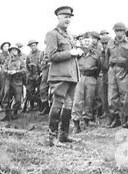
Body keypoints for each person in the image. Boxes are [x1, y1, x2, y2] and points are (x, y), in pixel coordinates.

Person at [45, 6, 83, 145]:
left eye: (69, 17)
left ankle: (63, 135)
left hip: (72, 75)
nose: (68, 19)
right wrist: (71, 53)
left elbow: (72, 55)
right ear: (58, 17)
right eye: (65, 16)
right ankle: (52, 137)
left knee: (68, 105)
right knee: (58, 104)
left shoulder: (69, 35)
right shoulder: (52, 34)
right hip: (60, 76)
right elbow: (51, 55)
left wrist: (78, 53)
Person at [105, 22, 128, 128]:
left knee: (125, 95)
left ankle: (125, 119)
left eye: (121, 31)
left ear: (124, 32)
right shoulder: (110, 43)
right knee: (112, 95)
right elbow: (107, 56)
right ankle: (115, 118)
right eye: (117, 31)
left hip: (124, 70)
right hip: (112, 69)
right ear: (114, 32)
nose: (119, 33)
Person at [71, 32, 102, 132]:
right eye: (85, 41)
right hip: (80, 77)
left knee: (89, 99)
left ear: (91, 43)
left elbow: (99, 66)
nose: (87, 43)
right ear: (82, 42)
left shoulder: (96, 54)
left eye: (88, 41)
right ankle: (76, 123)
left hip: (91, 77)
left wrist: (93, 75)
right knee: (77, 100)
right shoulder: (77, 53)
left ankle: (87, 120)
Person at [0, 45, 27, 121]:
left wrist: (16, 72)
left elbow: (24, 70)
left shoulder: (20, 60)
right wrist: (7, 71)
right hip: (8, 80)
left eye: (15, 50)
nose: (14, 52)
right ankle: (7, 114)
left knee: (18, 99)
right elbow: (3, 69)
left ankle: (14, 113)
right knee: (6, 97)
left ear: (18, 52)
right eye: (12, 50)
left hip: (17, 81)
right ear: (10, 51)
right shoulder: (7, 60)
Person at [25, 39, 42, 111]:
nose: (33, 47)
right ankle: (32, 105)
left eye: (34, 45)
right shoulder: (29, 55)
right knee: (29, 90)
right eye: (31, 46)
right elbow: (26, 66)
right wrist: (29, 74)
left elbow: (43, 63)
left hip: (39, 74)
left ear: (36, 45)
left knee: (40, 91)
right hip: (31, 75)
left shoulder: (41, 53)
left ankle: (40, 105)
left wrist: (41, 73)